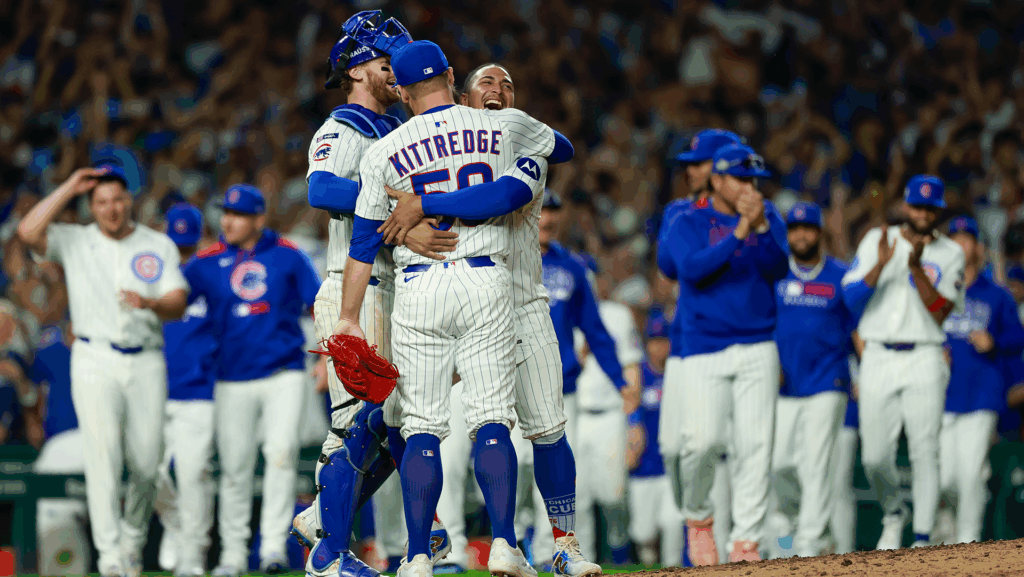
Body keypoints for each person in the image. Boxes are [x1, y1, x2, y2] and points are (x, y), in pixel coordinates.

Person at [336, 40, 573, 577]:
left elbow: (363, 245)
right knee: (492, 422)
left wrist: (349, 319)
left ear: (399, 88)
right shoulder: (503, 125)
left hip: (419, 288)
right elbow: (562, 150)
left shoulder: (383, 150)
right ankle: (507, 545)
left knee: (421, 428)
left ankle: (418, 554)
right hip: (485, 278)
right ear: (449, 75)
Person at [390, 63, 601, 577]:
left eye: (509, 84)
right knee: (416, 424)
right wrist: (407, 228)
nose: (500, 90)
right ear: (462, 96)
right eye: (489, 82)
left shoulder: (524, 144)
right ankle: (438, 541)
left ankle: (564, 547)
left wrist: (423, 207)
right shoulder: (437, 149)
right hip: (452, 302)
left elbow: (504, 194)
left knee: (548, 429)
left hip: (522, 303)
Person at [290, 11, 434, 577]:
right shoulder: (342, 127)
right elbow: (321, 188)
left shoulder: (393, 130)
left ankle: (320, 519)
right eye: (384, 60)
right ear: (355, 68)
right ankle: (327, 553)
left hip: (390, 290)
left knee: (394, 421)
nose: (396, 70)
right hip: (354, 290)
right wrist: (389, 198)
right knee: (355, 424)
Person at [17, 164, 189, 577]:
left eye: (117, 200)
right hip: (94, 358)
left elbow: (178, 301)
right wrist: (69, 186)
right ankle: (111, 556)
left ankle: (131, 540)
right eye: (101, 202)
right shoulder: (73, 239)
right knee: (103, 458)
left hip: (146, 356)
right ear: (91, 206)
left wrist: (150, 303)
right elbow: (27, 232)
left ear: (129, 201)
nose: (111, 209)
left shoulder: (157, 243)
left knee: (147, 462)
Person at [657, 143, 788, 565]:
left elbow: (779, 268)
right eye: (741, 179)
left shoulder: (769, 218)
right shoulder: (687, 218)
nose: (751, 187)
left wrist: (761, 226)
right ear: (717, 180)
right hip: (702, 345)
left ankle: (746, 540)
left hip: (757, 343)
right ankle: (699, 518)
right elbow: (691, 270)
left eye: (754, 180)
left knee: (756, 446)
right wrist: (740, 231)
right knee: (700, 442)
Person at [183, 184, 322, 576]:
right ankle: (232, 554)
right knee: (234, 468)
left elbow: (319, 303)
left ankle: (273, 549)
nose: (227, 220)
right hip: (231, 377)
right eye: (225, 212)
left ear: (259, 219)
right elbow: (173, 295)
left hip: (284, 373)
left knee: (281, 456)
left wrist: (327, 357)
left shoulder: (288, 255)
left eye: (238, 214)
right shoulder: (207, 261)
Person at [840, 175, 967, 550]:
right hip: (877, 353)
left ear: (939, 210)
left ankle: (924, 538)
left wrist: (915, 269)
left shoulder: (951, 253)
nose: (924, 213)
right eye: (917, 205)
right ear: (905, 206)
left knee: (924, 448)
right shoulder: (876, 240)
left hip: (926, 354)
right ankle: (894, 512)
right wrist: (881, 264)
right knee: (875, 455)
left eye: (931, 207)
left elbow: (942, 313)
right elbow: (850, 299)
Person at [770, 202, 853, 557]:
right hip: (784, 385)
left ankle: (809, 541)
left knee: (816, 464)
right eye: (795, 229)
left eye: (808, 228)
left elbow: (858, 326)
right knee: (779, 466)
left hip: (828, 380)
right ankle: (791, 533)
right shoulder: (775, 274)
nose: (801, 235)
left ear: (820, 233)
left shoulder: (840, 275)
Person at [938, 216, 1024, 544]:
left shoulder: (996, 295)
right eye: (955, 239)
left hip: (982, 395)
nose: (961, 245)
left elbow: (1017, 338)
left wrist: (994, 342)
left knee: (971, 474)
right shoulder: (939, 290)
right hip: (944, 396)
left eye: (966, 239)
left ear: (978, 247)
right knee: (945, 478)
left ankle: (968, 543)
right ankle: (947, 532)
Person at [154, 204, 218, 577]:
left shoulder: (212, 277)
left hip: (200, 391)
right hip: (154, 389)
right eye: (175, 246)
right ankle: (176, 524)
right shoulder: (152, 277)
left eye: (187, 248)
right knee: (146, 470)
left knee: (194, 474)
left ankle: (193, 556)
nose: (181, 255)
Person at [572, 257, 643, 564]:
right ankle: (581, 559)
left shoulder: (617, 315)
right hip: (574, 414)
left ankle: (620, 555)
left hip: (611, 413)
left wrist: (635, 421)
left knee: (614, 495)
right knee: (578, 497)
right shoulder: (561, 314)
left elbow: (631, 367)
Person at [627, 308, 685, 567]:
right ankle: (647, 566)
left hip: (671, 468)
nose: (659, 347)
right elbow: (629, 409)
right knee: (643, 532)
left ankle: (672, 568)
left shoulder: (680, 373)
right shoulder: (639, 373)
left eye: (664, 340)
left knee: (672, 525)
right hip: (643, 467)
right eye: (654, 341)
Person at [32, 321, 89, 577]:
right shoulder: (52, 352)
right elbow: (35, 393)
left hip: (94, 441)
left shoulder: (109, 354)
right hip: (62, 446)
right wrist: (32, 421)